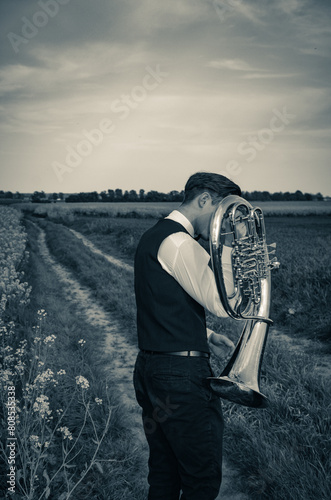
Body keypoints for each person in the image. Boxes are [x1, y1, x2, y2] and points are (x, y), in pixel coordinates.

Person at [133, 172, 242, 500]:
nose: (221, 222)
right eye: (221, 213)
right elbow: (223, 303)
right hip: (181, 378)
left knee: (165, 473)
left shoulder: (155, 236)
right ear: (204, 199)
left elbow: (159, 302)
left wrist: (203, 334)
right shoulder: (179, 241)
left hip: (152, 369)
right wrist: (227, 244)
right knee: (201, 477)